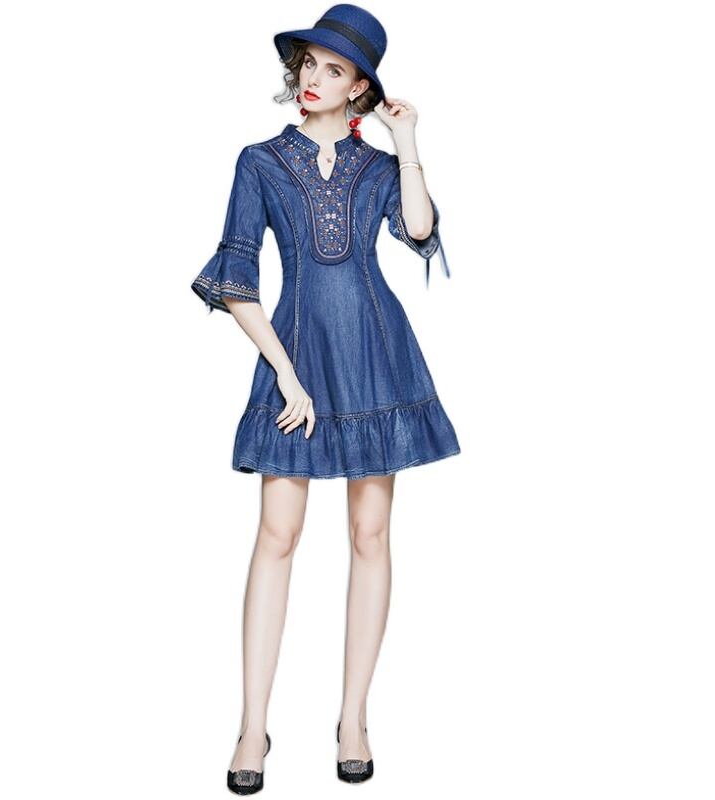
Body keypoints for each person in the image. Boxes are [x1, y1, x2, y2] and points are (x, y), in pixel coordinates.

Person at [190, 4, 461, 793]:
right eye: (308, 64)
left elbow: (419, 231)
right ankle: (252, 727)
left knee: (370, 535)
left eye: (333, 69)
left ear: (360, 87)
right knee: (277, 534)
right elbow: (237, 278)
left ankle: (353, 718)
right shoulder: (260, 162)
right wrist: (285, 372)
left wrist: (407, 144)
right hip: (296, 353)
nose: (313, 78)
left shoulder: (377, 168)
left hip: (376, 355)